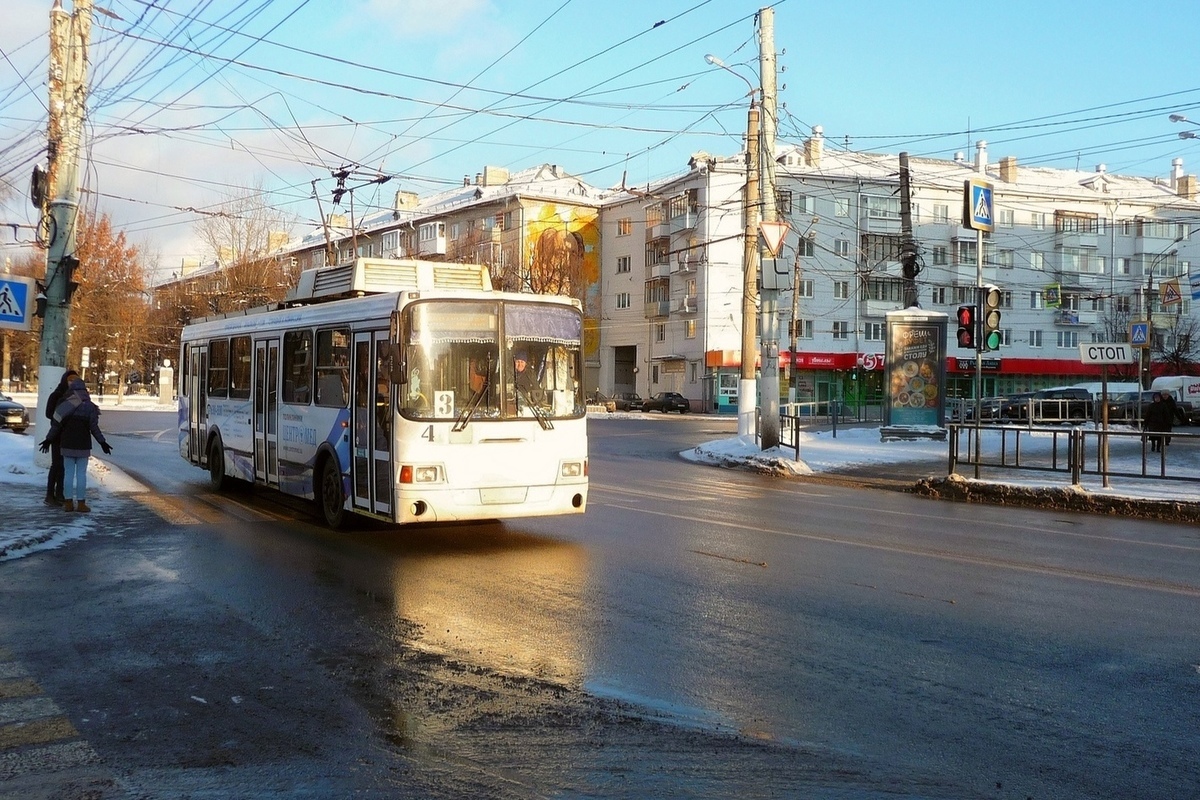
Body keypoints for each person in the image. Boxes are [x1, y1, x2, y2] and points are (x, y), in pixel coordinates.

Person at [38, 376, 112, 512]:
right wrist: (103, 443)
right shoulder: (90, 407)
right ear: (85, 390)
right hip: (83, 445)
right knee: (81, 474)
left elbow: (56, 425)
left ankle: (68, 503)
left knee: (68, 474)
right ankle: (81, 503)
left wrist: (48, 440)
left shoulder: (66, 404)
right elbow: (94, 428)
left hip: (66, 444)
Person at [43, 369, 78, 506]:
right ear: (65, 380)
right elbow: (48, 413)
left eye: (75, 380)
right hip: (57, 435)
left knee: (64, 466)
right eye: (70, 380)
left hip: (69, 435)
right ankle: (49, 494)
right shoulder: (56, 395)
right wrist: (61, 416)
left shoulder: (76, 396)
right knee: (56, 465)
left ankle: (60, 494)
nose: (72, 382)